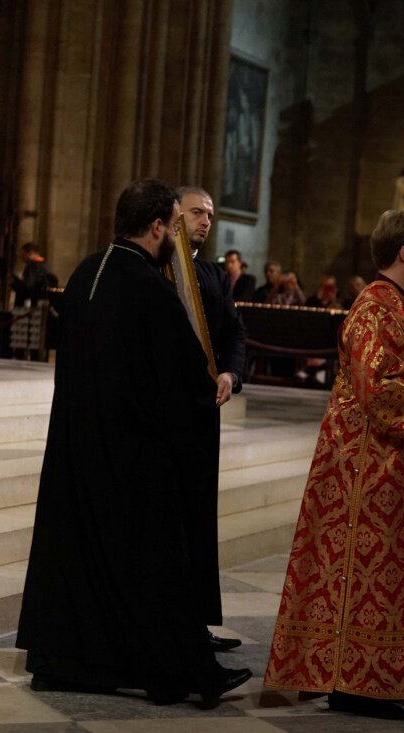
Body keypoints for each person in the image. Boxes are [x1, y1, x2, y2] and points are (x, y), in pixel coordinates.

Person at [16, 178, 251, 708]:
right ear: (157, 227)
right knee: (154, 564)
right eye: (172, 222)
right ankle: (185, 672)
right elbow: (181, 380)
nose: (175, 234)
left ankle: (69, 663)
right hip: (135, 457)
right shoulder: (149, 288)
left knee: (82, 560)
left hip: (80, 447)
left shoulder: (85, 273)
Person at [265, 209, 404, 720]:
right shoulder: (372, 309)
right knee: (377, 579)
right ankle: (357, 686)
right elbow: (378, 391)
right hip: (370, 467)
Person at [178, 185, 247, 653]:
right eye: (196, 212)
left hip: (206, 409)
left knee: (199, 519)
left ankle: (195, 623)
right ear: (172, 215)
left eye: (209, 214)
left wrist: (231, 372)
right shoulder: (158, 270)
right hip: (168, 413)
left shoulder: (213, 273)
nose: (205, 220)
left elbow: (235, 333)